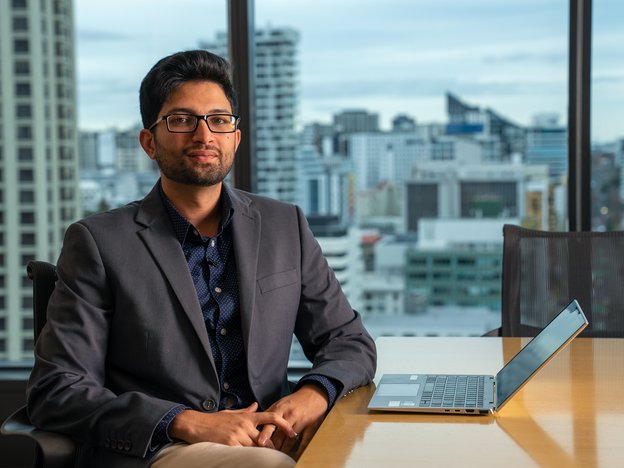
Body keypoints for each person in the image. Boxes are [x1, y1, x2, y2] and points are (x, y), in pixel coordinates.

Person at [26, 50, 377, 468]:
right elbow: (58, 389)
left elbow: (349, 341)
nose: (204, 135)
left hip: (271, 437)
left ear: (235, 137)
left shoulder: (285, 226)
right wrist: (187, 421)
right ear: (149, 142)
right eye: (181, 120)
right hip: (161, 449)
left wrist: (310, 395)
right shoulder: (99, 242)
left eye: (219, 120)